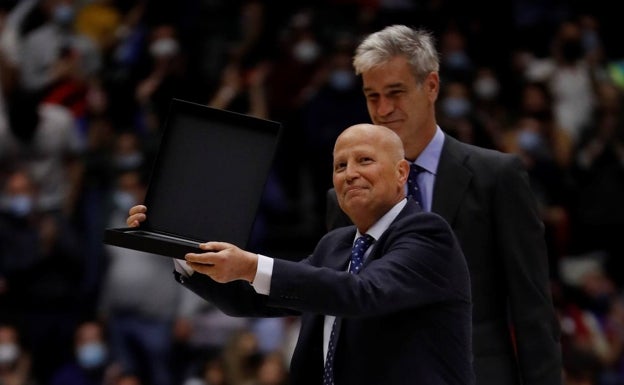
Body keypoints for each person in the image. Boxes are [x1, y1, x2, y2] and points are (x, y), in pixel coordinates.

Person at [126, 123, 474, 385]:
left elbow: (362, 293)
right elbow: (254, 299)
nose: (350, 174)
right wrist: (178, 244)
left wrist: (251, 263)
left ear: (401, 173)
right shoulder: (336, 245)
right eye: (340, 166)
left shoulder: (428, 234)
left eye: (364, 160)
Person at [324, 25, 562, 385]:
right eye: (373, 96)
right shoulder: (345, 194)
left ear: (431, 86)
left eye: (396, 93)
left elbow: (532, 308)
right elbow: (341, 307)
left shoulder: (496, 176)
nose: (383, 110)